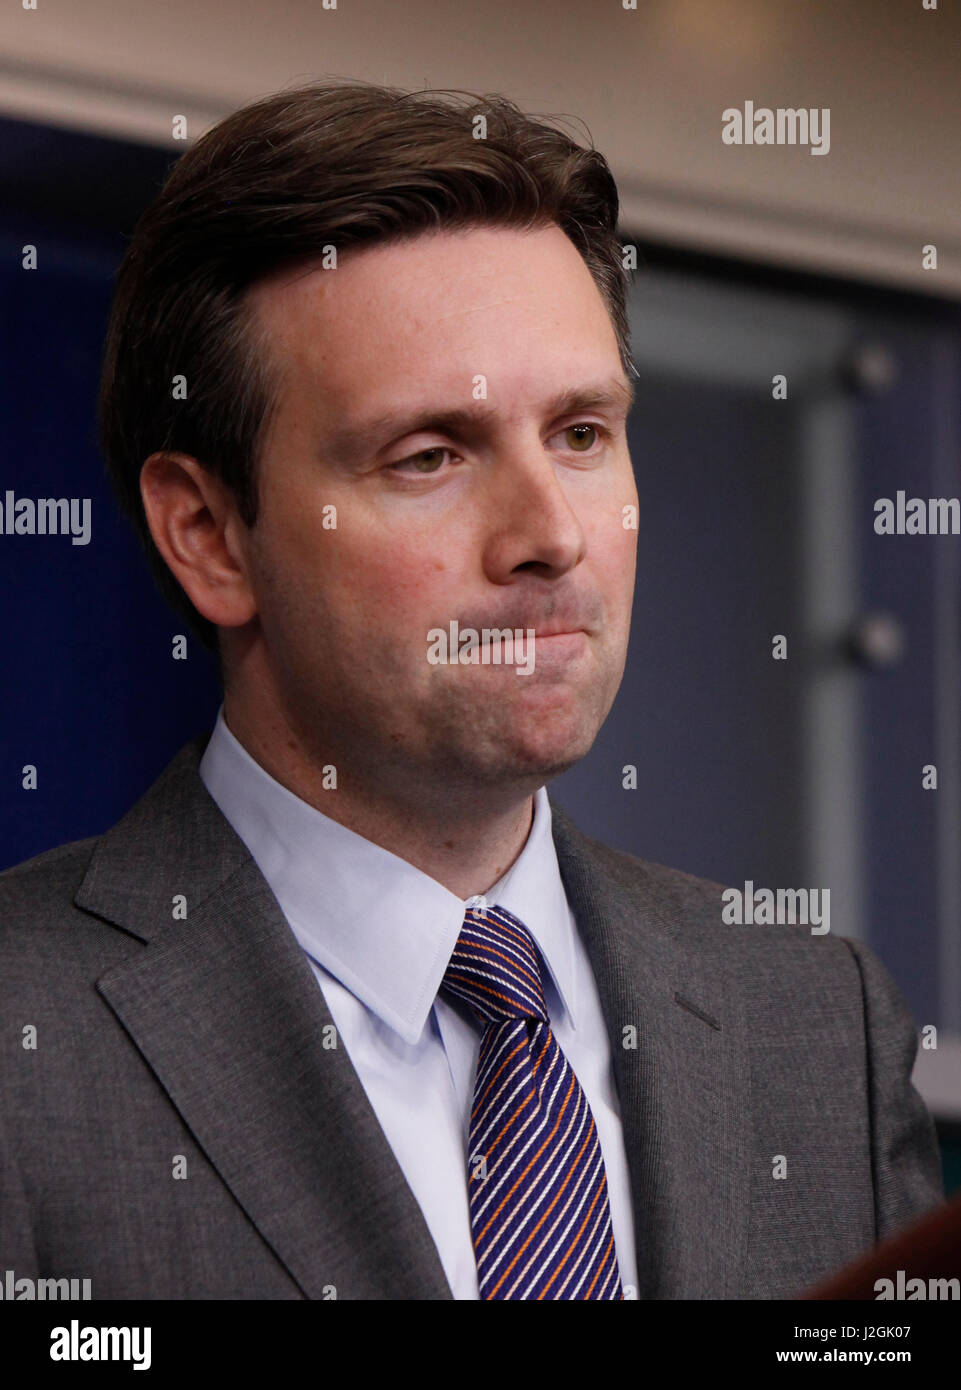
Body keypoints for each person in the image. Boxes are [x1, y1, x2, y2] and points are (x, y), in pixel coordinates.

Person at [0, 81, 944, 1301]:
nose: (551, 534)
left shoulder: (816, 1023)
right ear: (210, 536)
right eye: (431, 455)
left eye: (583, 434)